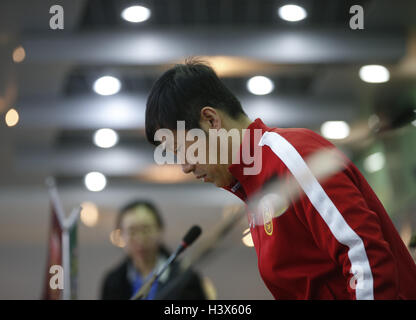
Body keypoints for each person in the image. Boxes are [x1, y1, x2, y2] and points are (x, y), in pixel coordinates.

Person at [144, 58, 416, 300]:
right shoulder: (255, 188)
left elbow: (367, 260)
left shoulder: (292, 156)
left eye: (180, 149)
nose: (184, 167)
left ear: (211, 121)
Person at [100, 199, 208, 300]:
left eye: (146, 229)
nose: (140, 238)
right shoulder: (113, 281)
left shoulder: (184, 277)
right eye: (132, 231)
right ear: (121, 235)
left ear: (160, 231)